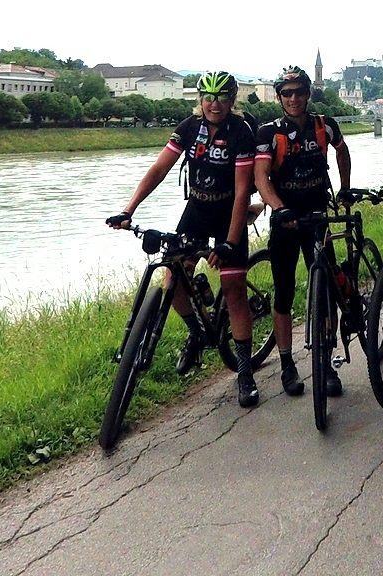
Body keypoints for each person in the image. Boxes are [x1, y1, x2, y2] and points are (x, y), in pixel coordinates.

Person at [105, 71, 260, 408]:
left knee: (233, 289)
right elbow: (158, 170)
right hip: (198, 208)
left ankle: (245, 372)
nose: (213, 103)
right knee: (173, 278)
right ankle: (196, 332)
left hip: (228, 212)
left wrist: (230, 242)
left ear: (232, 101)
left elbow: (241, 192)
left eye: (221, 97)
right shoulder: (190, 128)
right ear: (200, 99)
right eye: (208, 96)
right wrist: (128, 209)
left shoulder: (242, 133)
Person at [254, 65, 352, 398]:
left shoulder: (325, 125)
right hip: (285, 220)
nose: (294, 98)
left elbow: (342, 150)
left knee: (326, 289)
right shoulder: (269, 132)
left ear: (308, 93)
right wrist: (278, 208)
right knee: (283, 292)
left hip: (317, 216)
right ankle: (286, 364)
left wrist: (346, 188)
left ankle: (326, 363)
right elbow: (261, 177)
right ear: (280, 97)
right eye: (287, 93)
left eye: (299, 92)